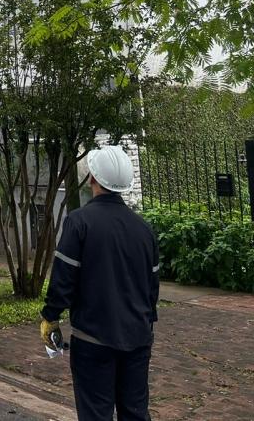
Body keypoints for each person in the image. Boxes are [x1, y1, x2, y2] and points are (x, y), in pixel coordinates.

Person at [40, 145, 160, 421]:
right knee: (135, 412)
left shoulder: (79, 222)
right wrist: (146, 320)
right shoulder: (144, 229)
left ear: (93, 178)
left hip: (93, 339)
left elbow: (64, 278)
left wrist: (51, 315)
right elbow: (152, 286)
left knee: (96, 413)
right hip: (138, 339)